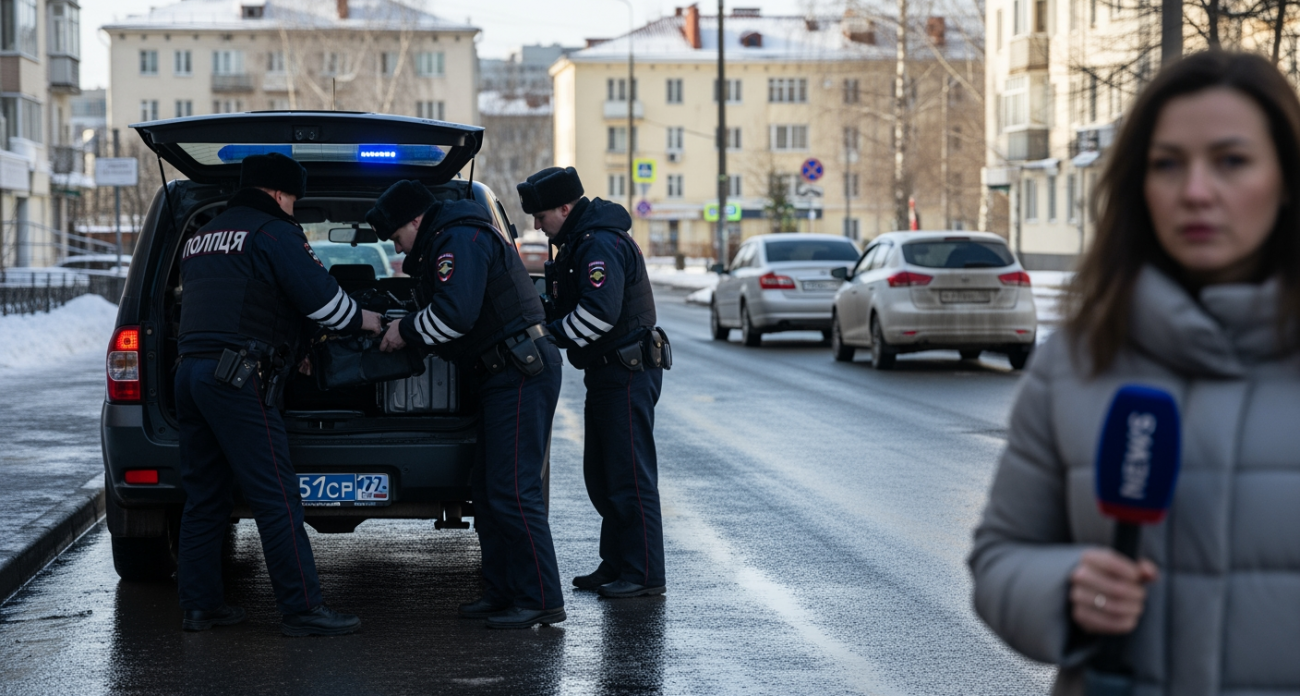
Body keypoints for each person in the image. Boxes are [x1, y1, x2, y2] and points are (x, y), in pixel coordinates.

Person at [968, 50, 1300, 694]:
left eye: (1231, 161)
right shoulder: (1079, 361)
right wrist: (1067, 591)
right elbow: (1001, 558)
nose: (1196, 191)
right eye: (1167, 164)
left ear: (1286, 177)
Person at [175, 152, 382, 635]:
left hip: (189, 376)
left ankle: (201, 606)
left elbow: (244, 298)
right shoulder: (274, 232)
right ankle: (303, 609)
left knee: (205, 496)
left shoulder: (201, 236)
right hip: (237, 379)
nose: (293, 208)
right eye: (293, 199)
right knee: (277, 497)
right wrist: (370, 321)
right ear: (277, 193)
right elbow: (326, 304)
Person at [370, 180, 566, 629]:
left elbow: (456, 314)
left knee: (514, 491)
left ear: (416, 221)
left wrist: (407, 331)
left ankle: (540, 597)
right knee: (488, 489)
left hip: (518, 371)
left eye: (398, 237)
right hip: (501, 373)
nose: (397, 249)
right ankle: (500, 591)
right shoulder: (451, 237)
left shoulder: (459, 237)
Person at [517, 167, 668, 598]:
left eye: (541, 215)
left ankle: (643, 575)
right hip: (609, 371)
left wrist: (548, 340)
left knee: (629, 476)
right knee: (603, 474)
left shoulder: (599, 242)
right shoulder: (583, 239)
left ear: (565, 208)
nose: (536, 225)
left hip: (625, 371)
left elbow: (599, 313)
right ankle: (617, 561)